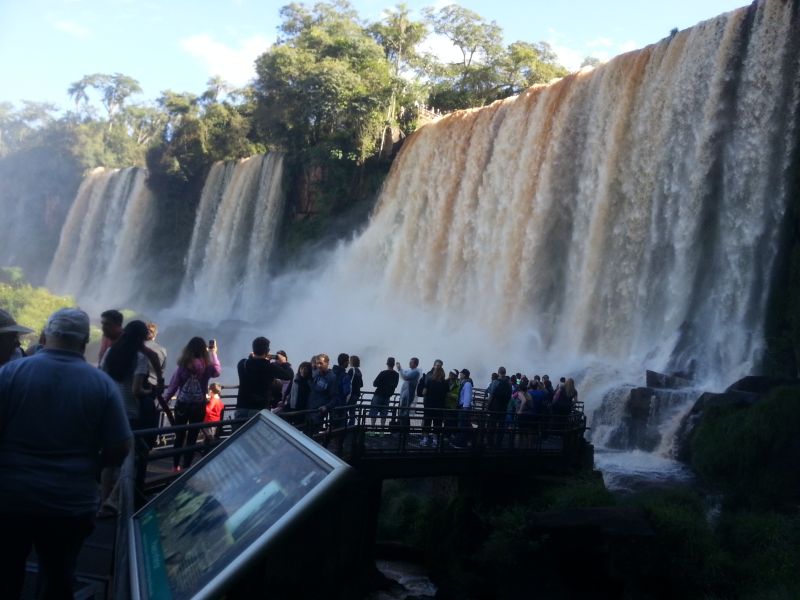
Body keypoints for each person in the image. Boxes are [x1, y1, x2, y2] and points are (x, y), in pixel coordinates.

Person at [0, 308, 131, 599]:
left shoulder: (10, 373)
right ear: (86, 341)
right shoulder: (102, 385)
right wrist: (91, 467)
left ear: (45, 335)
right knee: (59, 577)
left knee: (5, 573)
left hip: (11, 497)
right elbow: (121, 447)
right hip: (69, 501)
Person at [99, 320, 151, 515]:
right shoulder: (140, 357)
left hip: (109, 409)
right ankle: (113, 499)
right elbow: (136, 390)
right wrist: (150, 391)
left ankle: (104, 500)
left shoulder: (111, 352)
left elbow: (102, 378)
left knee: (108, 458)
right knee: (130, 459)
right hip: (129, 412)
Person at [163, 337, 221, 472]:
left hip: (182, 406)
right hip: (198, 406)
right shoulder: (207, 366)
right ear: (203, 350)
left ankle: (175, 466)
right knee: (192, 437)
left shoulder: (183, 366)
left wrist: (164, 401)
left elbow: (173, 386)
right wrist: (213, 353)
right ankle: (186, 467)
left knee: (179, 436)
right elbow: (217, 371)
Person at [235, 337, 293, 422]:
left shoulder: (242, 363)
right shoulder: (270, 367)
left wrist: (252, 357)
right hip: (259, 410)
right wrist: (284, 363)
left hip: (241, 407)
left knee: (239, 434)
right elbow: (289, 375)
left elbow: (253, 363)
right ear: (267, 351)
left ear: (253, 349)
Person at [308, 353, 339, 430]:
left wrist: (326, 407)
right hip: (309, 409)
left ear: (327, 363)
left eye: (321, 363)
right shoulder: (317, 374)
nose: (318, 366)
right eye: (317, 363)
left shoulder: (332, 378)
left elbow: (335, 397)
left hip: (318, 412)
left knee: (313, 434)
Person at [420, 366, 448, 447]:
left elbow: (424, 393)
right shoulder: (445, 383)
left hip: (429, 406)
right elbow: (446, 394)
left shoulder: (429, 381)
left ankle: (425, 440)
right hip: (439, 407)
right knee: (437, 424)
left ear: (434, 372)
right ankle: (435, 441)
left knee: (427, 423)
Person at [370, 357, 399, 429]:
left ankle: (372, 430)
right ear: (393, 364)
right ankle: (382, 431)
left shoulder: (383, 373)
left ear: (387, 364)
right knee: (384, 415)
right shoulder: (396, 375)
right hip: (387, 396)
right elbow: (395, 385)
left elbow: (374, 384)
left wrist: (381, 384)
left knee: (374, 413)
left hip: (378, 395)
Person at [486, 366, 512, 447]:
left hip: (494, 407)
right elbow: (509, 397)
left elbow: (491, 395)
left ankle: (490, 443)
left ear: (498, 373)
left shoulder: (495, 382)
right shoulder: (509, 384)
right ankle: (498, 444)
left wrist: (488, 406)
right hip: (504, 407)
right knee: (501, 426)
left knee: (492, 425)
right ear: (505, 373)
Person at [395, 357, 421, 428]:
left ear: (415, 364)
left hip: (408, 395)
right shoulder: (411, 371)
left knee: (404, 412)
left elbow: (405, 377)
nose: (409, 363)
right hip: (405, 395)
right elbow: (404, 373)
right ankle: (403, 430)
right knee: (402, 412)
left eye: (411, 362)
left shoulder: (415, 372)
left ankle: (403, 431)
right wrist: (400, 369)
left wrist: (399, 368)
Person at [451, 368, 473, 448]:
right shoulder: (464, 382)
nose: (460, 375)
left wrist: (465, 408)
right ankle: (466, 441)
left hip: (464, 407)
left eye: (461, 374)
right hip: (463, 407)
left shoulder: (467, 384)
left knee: (462, 425)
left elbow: (467, 397)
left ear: (464, 375)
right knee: (465, 424)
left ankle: (461, 443)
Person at [286, 361, 313, 426]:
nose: (303, 371)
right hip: (292, 406)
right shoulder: (295, 378)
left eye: (306, 369)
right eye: (302, 368)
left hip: (303, 408)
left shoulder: (310, 382)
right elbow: (288, 390)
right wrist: (284, 401)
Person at [347, 355, 364, 426]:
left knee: (345, 409)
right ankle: (352, 424)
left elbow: (348, 381)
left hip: (351, 393)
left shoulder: (352, 370)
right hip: (357, 393)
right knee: (352, 410)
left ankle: (347, 425)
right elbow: (361, 384)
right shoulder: (359, 371)